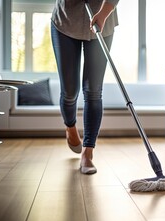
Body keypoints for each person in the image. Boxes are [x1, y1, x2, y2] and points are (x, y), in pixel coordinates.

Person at [51, 0, 119, 174]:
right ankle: (70, 126)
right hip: (65, 22)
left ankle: (87, 153)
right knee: (69, 91)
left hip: (102, 22)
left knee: (93, 91)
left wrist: (104, 12)